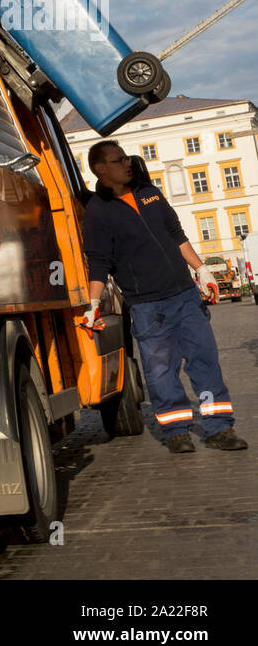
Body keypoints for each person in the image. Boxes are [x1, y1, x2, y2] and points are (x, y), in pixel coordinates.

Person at [81, 140, 245, 452]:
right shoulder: (98, 212)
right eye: (118, 160)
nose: (128, 163)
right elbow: (99, 262)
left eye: (127, 157)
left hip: (185, 296)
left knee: (205, 361)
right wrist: (93, 304)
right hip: (147, 306)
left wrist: (201, 269)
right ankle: (176, 432)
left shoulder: (149, 192)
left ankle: (219, 428)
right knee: (160, 372)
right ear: (101, 169)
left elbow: (177, 235)